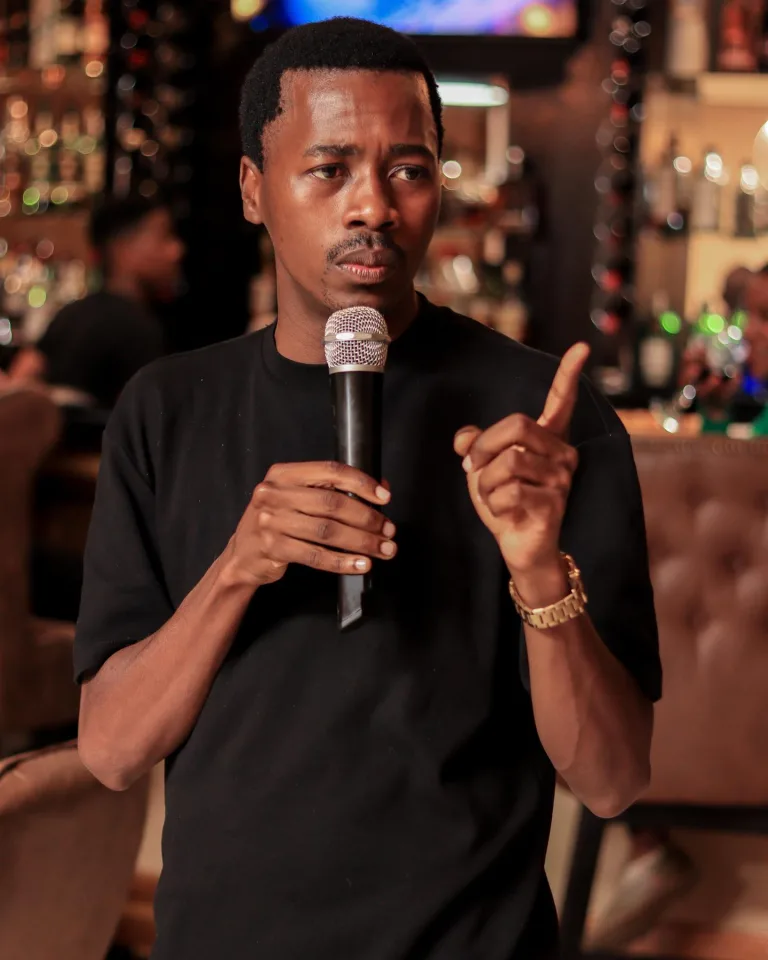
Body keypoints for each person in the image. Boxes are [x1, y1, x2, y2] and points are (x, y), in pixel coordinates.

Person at [75, 18, 660, 960]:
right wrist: (238, 566)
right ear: (253, 189)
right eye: (330, 168)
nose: (374, 208)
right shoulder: (166, 409)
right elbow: (110, 752)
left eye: (409, 170)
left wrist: (538, 571)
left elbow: (614, 779)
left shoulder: (540, 420)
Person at [589, 263, 768, 950]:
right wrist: (716, 411)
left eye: (764, 319)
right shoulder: (748, 406)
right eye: (750, 317)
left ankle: (649, 844)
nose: (750, 334)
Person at [7, 195, 184, 408]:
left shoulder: (71, 314)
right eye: (164, 237)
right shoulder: (140, 328)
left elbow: (17, 385)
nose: (177, 250)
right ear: (123, 249)